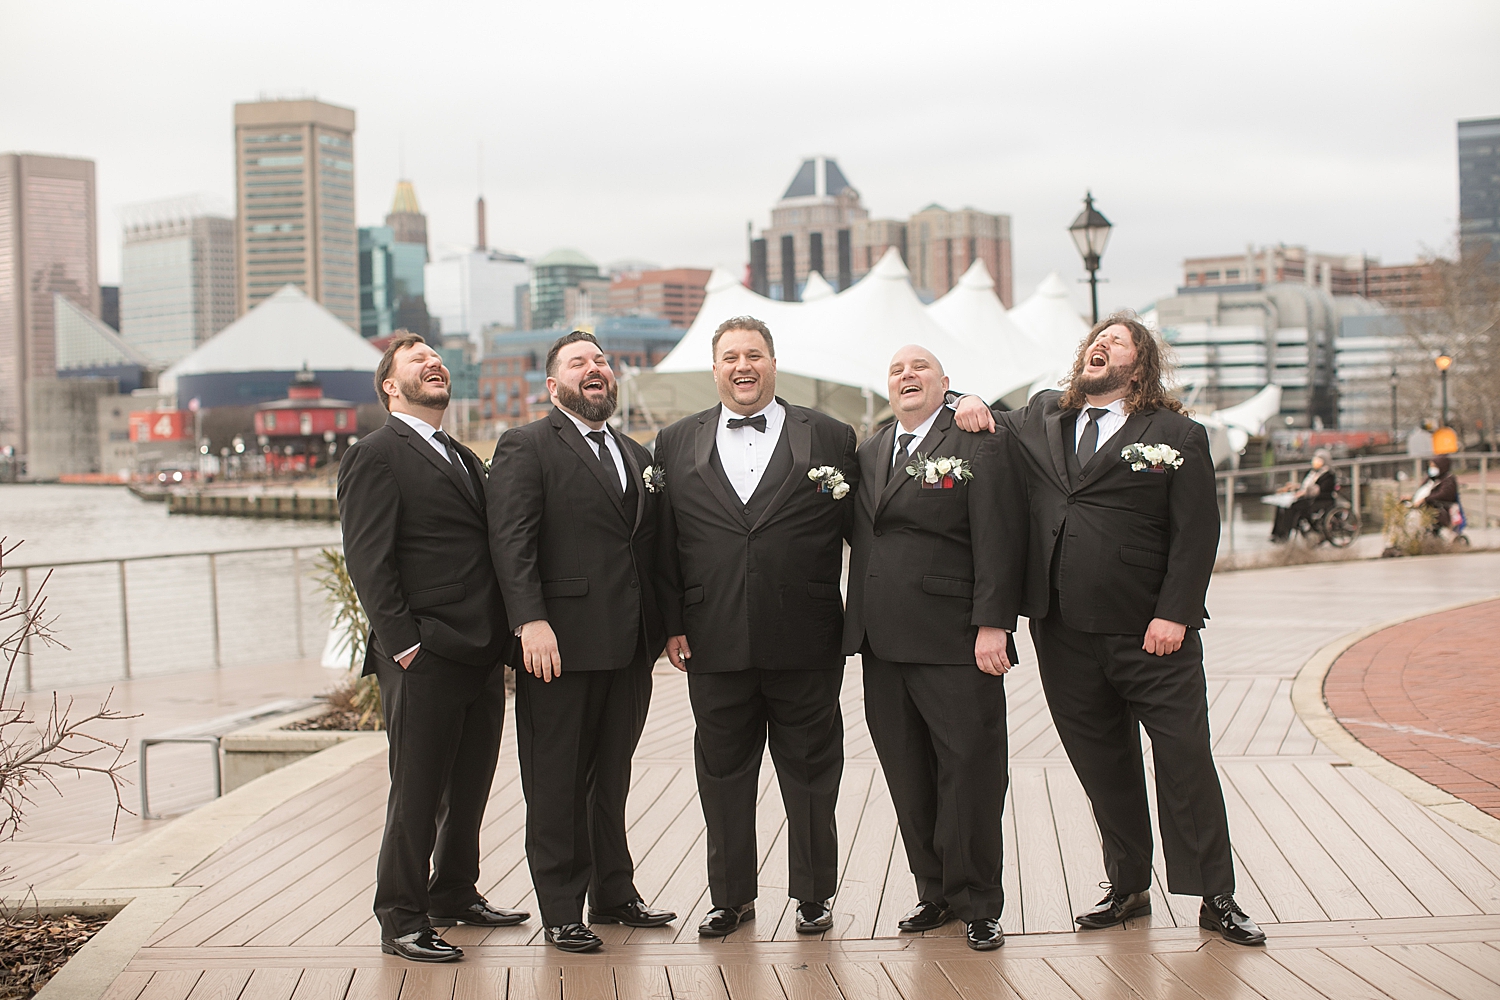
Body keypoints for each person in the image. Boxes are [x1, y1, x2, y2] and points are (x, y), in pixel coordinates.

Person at [953, 313, 1266, 946]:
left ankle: (1215, 894)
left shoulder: (1178, 433)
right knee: (1103, 764)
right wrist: (968, 399)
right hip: (1062, 632)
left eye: (1117, 341)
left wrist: (1174, 613)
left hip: (1152, 632)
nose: (1101, 344)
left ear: (1140, 365)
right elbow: (985, 417)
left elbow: (1198, 532)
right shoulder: (1043, 416)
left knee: (1183, 758)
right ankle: (1128, 886)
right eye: (1096, 338)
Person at [654, 316, 859, 938]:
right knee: (722, 777)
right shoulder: (673, 441)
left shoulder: (832, 436)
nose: (743, 366)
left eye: (754, 355)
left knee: (811, 775)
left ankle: (814, 895)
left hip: (807, 636)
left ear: (774, 362)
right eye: (730, 357)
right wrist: (670, 624)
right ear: (714, 369)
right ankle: (731, 897)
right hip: (711, 640)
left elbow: (870, 531)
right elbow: (663, 545)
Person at [338, 333, 527, 964]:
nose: (434, 364)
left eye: (437, 357)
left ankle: (453, 893)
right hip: (423, 653)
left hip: (478, 652)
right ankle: (401, 916)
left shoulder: (463, 457)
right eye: (417, 360)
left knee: (469, 787)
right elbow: (368, 559)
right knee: (415, 791)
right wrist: (404, 646)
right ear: (391, 386)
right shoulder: (375, 454)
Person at [487, 331, 677, 953]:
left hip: (628, 648)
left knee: (611, 777)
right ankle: (562, 906)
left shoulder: (637, 454)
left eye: (600, 361)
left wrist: (666, 627)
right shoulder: (526, 445)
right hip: (557, 646)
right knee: (557, 781)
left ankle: (614, 893)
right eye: (579, 363)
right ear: (553, 385)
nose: (594, 369)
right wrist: (528, 620)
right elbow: (511, 542)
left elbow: (651, 551)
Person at [842, 345, 1026, 951]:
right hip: (881, 643)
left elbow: (1000, 533)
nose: (906, 375)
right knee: (909, 774)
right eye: (895, 369)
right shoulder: (871, 449)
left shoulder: (979, 438)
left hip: (956, 640)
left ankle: (978, 901)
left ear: (946, 382)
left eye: (920, 367)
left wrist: (994, 623)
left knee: (971, 771)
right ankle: (936, 891)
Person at [1270, 449, 1336, 542]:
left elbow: (1318, 490)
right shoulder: (1311, 473)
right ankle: (1276, 533)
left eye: (1318, 460)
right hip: (1306, 498)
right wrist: (1295, 487)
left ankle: (1285, 534)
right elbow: (1304, 487)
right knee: (1281, 505)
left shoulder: (1328, 475)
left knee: (1292, 507)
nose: (1315, 461)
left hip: (1319, 500)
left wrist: (1304, 492)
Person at [1412, 455, 1461, 533]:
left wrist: (1425, 499)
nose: (1431, 468)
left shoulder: (1448, 480)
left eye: (1434, 466)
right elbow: (1422, 491)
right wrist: (1413, 498)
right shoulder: (1430, 479)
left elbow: (1443, 494)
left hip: (1441, 510)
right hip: (1427, 507)